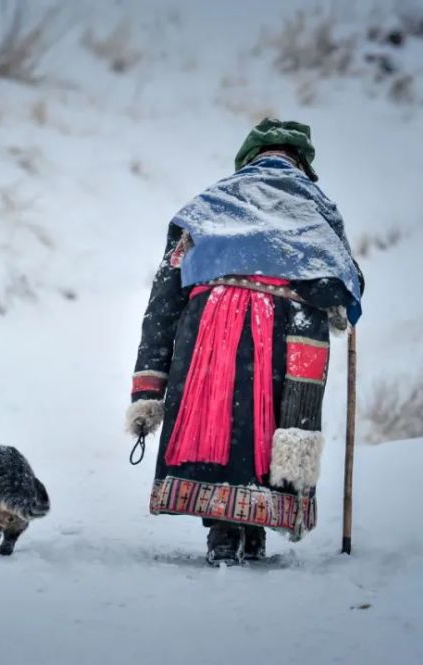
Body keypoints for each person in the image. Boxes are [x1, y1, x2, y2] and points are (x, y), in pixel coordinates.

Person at [126, 118, 364, 566]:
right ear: (302, 163)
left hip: (210, 324)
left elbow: (165, 295)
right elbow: (344, 284)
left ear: (248, 158)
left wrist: (148, 391)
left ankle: (223, 532)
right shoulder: (314, 210)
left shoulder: (210, 204)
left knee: (222, 417)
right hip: (288, 327)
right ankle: (253, 528)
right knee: (270, 422)